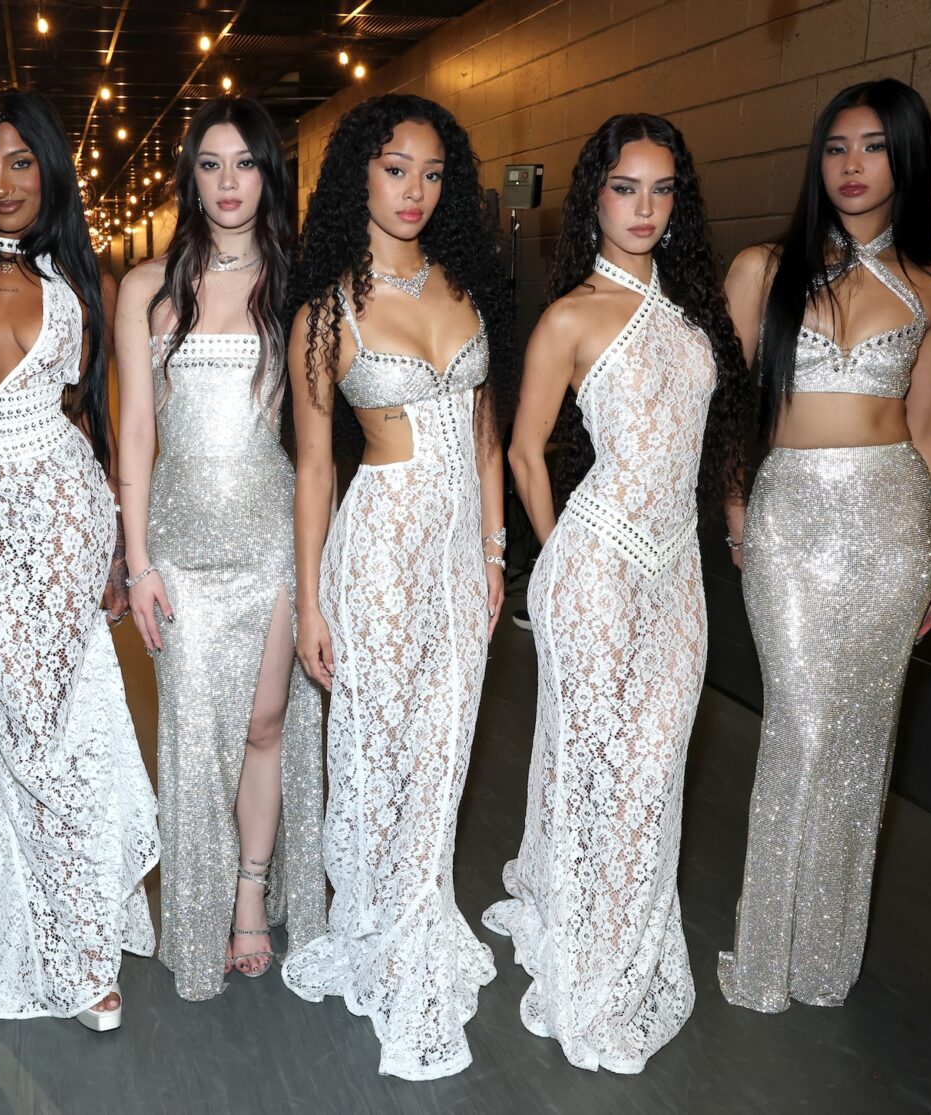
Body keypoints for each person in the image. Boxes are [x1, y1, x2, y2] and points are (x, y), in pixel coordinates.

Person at [482, 115, 753, 1073]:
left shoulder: (693, 315)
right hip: (596, 569)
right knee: (601, 772)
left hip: (678, 579)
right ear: (593, 195)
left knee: (651, 773)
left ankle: (621, 939)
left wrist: (729, 522)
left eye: (662, 188)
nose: (644, 207)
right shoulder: (570, 316)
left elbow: (707, 440)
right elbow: (523, 449)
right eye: (625, 187)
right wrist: (561, 559)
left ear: (679, 201)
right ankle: (595, 967)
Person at [0, 89, 158, 1032]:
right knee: (26, 718)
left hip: (62, 513)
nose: (2, 181)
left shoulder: (78, 280)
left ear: (48, 168)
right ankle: (39, 910)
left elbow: (96, 423)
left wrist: (117, 555)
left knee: (48, 726)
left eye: (20, 161)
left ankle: (79, 951)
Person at [280, 93, 515, 1081]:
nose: (414, 190)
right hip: (375, 550)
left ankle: (419, 911)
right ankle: (386, 927)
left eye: (431, 172)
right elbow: (315, 473)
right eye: (393, 169)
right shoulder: (325, 312)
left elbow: (491, 441)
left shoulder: (470, 286)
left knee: (446, 750)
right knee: (379, 747)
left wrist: (500, 555)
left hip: (463, 556)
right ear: (356, 179)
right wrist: (310, 603)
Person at [717, 78, 931, 1013]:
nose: (853, 166)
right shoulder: (762, 269)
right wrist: (739, 513)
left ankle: (823, 957)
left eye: (873, 147)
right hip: (790, 519)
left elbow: (928, 427)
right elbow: (737, 415)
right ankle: (766, 956)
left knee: (862, 742)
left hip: (893, 520)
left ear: (906, 159)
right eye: (836, 148)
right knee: (803, 726)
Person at [116, 95, 324, 1000]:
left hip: (272, 537)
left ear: (269, 174)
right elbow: (132, 434)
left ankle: (249, 894)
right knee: (195, 732)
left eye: (244, 163)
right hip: (181, 546)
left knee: (265, 722)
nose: (228, 182)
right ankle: (199, 899)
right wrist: (136, 561)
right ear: (190, 176)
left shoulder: (299, 287)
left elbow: (318, 441)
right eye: (210, 163)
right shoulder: (146, 290)